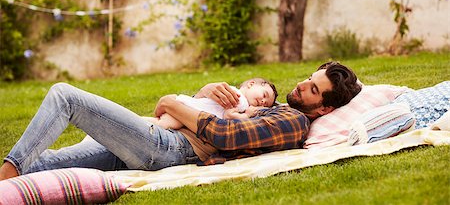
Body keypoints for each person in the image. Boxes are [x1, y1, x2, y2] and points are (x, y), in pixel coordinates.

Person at [0, 61, 360, 181]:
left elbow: (223, 132)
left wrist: (170, 100)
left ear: (324, 109)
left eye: (313, 89)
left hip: (169, 148)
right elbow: (212, 114)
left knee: (66, 96)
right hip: (159, 137)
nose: (301, 84)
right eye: (309, 78)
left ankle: (7, 170)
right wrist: (202, 93)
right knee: (43, 164)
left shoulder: (293, 122)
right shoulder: (271, 104)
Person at [146, 77, 278, 129]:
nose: (262, 101)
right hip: (187, 111)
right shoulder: (241, 101)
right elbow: (228, 115)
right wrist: (246, 116)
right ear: (251, 84)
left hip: (187, 104)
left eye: (265, 104)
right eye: (264, 95)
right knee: (158, 126)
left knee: (155, 122)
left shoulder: (230, 88)